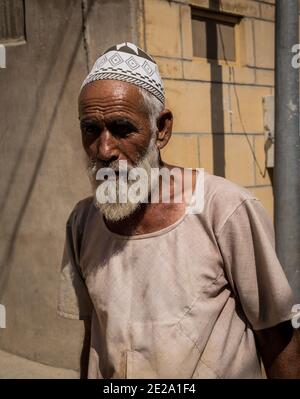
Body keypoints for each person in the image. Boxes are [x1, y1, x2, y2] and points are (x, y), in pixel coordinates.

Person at [57, 42, 300, 379]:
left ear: (162, 129)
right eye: (91, 129)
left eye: (122, 128)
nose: (105, 148)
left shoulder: (224, 209)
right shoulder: (83, 223)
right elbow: (93, 340)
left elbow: (278, 338)